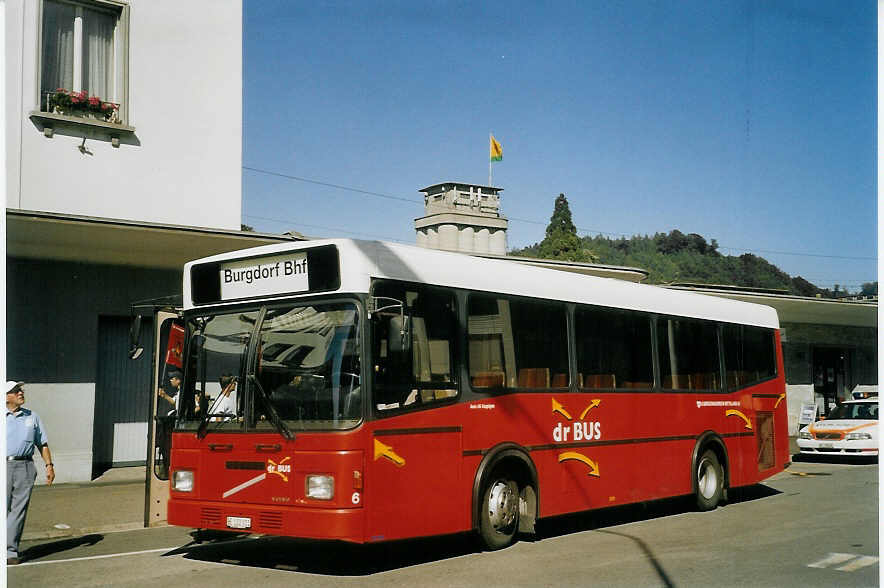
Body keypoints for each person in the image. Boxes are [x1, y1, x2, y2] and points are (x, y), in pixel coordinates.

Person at [6, 381, 54, 565]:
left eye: (21, 390)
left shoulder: (32, 416)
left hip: (25, 467)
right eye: (16, 390)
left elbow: (42, 443)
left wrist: (49, 465)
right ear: (6, 396)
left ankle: (10, 551)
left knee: (18, 510)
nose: (21, 392)